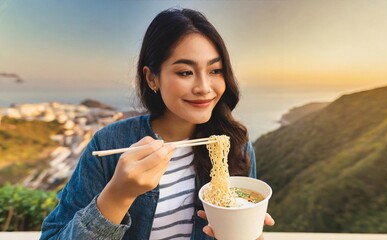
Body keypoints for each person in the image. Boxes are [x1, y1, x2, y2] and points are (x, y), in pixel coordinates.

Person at [40, 8, 274, 240]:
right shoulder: (110, 143)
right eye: (185, 72)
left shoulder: (236, 145)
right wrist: (118, 195)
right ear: (152, 78)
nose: (204, 87)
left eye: (215, 70)